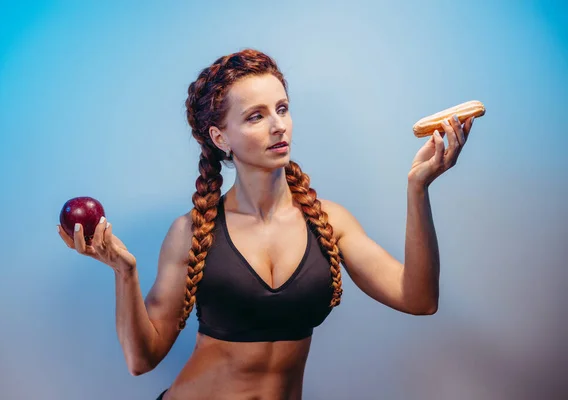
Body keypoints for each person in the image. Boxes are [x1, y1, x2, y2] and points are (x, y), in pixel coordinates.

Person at [58, 48, 476, 399]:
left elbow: (419, 299)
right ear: (221, 138)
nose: (278, 125)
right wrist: (124, 271)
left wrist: (417, 189)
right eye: (255, 116)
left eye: (281, 108)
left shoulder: (328, 221)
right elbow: (141, 360)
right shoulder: (192, 231)